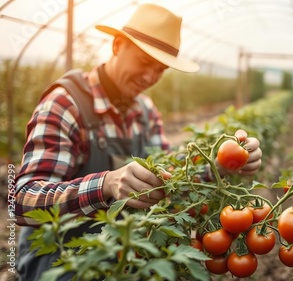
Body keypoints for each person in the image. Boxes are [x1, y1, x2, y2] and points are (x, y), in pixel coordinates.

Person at [13, 3, 262, 280]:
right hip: (63, 261)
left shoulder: (146, 111)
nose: (150, 77)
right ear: (117, 45)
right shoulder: (64, 104)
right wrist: (106, 184)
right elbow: (22, 200)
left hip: (124, 253)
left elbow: (173, 180)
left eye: (160, 70)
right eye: (144, 62)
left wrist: (222, 165)